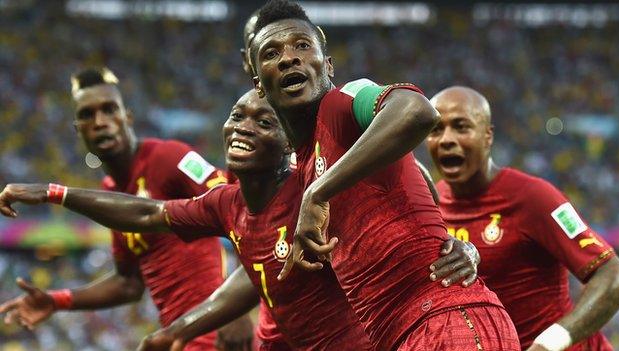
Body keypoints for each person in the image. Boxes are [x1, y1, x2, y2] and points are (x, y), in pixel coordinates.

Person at [0, 90, 480, 351]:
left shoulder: (315, 189)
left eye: (264, 121)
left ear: (289, 143)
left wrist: (460, 246)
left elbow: (408, 174)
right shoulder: (228, 204)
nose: (243, 127)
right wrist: (54, 192)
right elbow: (150, 215)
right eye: (237, 116)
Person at [246, 1, 519, 350]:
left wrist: (319, 191)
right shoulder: (303, 162)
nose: (289, 58)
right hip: (403, 335)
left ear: (327, 64)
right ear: (258, 84)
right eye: (272, 53)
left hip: (446, 322)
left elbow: (417, 111)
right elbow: (420, 183)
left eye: (302, 45)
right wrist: (459, 244)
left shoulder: (346, 99)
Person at [0, 68, 252, 351]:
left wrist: (237, 310)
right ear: (77, 129)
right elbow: (129, 283)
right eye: (87, 114)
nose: (100, 122)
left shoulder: (169, 157)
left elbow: (240, 207)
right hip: (179, 339)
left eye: (109, 110)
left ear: (127, 117)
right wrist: (55, 300)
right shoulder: (113, 194)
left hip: (215, 334)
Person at [427, 86, 619, 351]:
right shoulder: (431, 207)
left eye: (461, 127)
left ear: (487, 137)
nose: (446, 139)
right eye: (436, 130)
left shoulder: (533, 197)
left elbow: (613, 276)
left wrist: (548, 344)